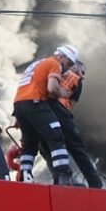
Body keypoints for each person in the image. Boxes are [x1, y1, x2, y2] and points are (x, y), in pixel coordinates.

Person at [13, 45, 80, 186]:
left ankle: (24, 176)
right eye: (69, 63)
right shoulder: (54, 63)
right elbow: (52, 88)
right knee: (56, 134)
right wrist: (63, 93)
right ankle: (64, 175)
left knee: (29, 143)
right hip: (35, 102)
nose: (68, 68)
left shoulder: (37, 63)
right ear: (62, 56)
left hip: (19, 105)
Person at [39, 61, 103, 188]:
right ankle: (95, 183)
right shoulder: (76, 80)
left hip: (41, 113)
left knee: (47, 150)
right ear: (74, 66)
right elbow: (70, 105)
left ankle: (59, 180)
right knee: (77, 148)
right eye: (82, 72)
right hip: (60, 114)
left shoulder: (51, 72)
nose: (83, 76)